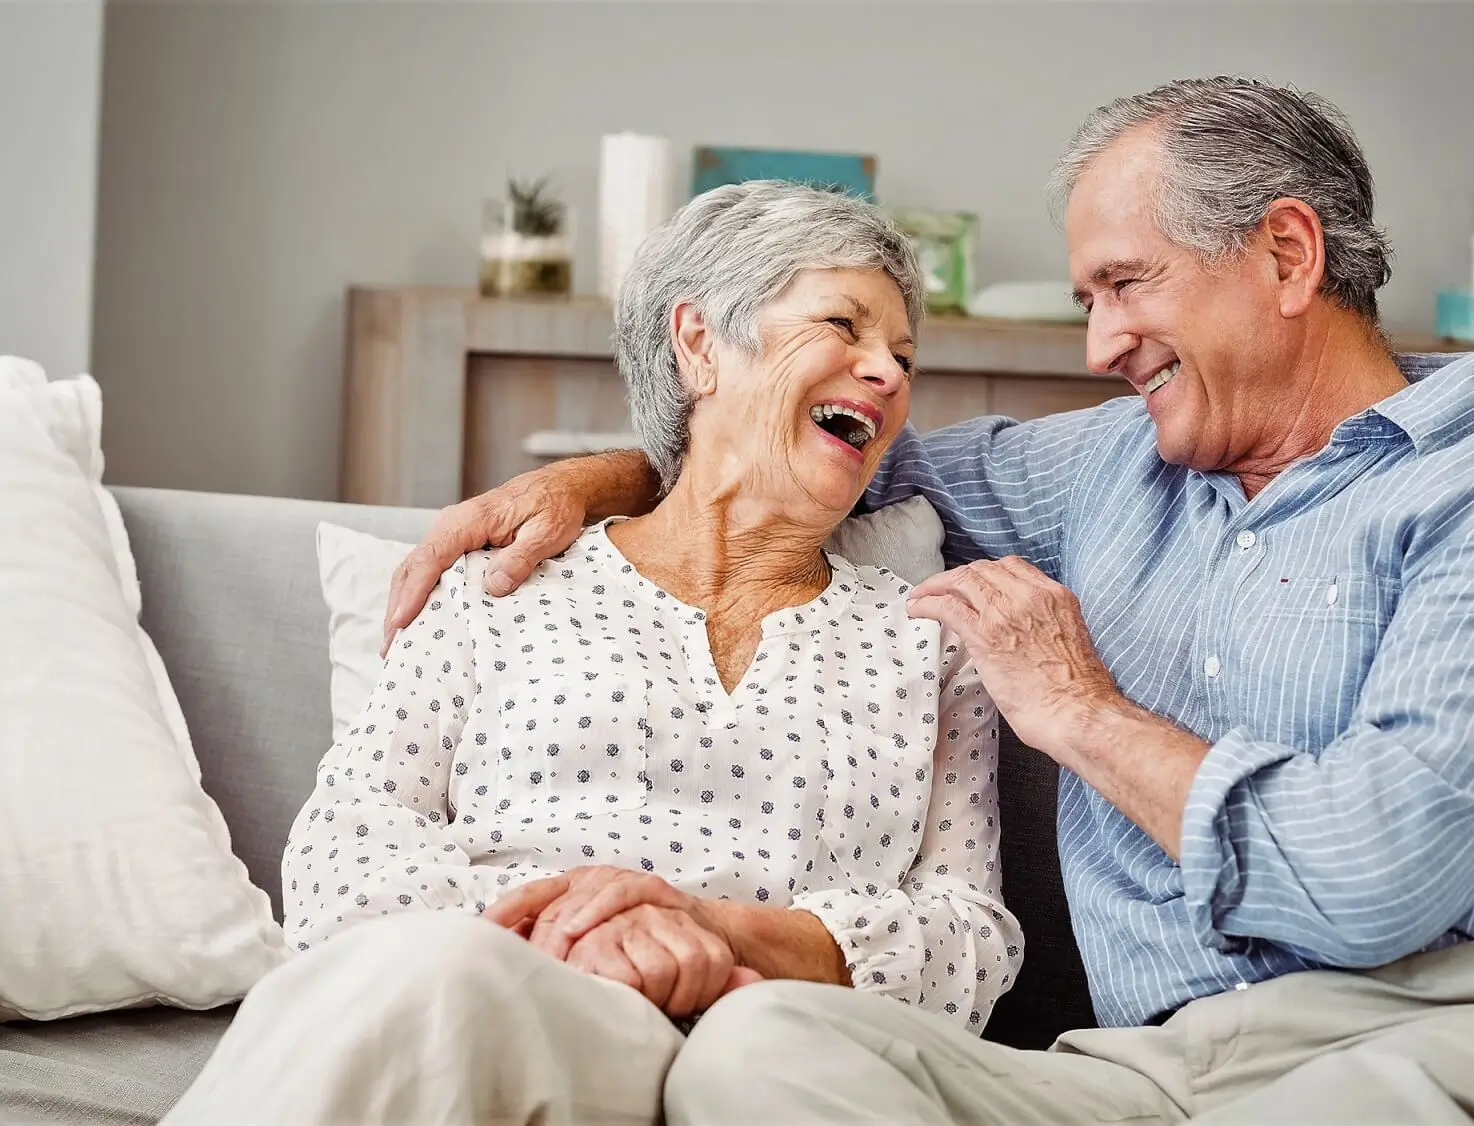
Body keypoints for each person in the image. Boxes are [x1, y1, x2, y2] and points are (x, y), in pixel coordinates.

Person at [386, 77, 1474, 1125]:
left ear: (1287, 254)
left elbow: (1372, 880)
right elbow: (811, 456)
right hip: (1151, 1074)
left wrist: (1082, 711)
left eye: (1126, 285)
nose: (1099, 345)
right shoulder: (1115, 463)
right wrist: (603, 473)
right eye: (1087, 300)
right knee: (764, 1045)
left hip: (1448, 1047)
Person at [164, 181, 1021, 1126]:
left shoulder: (930, 642)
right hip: (488, 1002)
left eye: (903, 355)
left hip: (760, 1054)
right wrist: (587, 935)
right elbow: (343, 856)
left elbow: (969, 942)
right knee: (440, 975)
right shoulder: (506, 585)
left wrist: (725, 939)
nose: (889, 373)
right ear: (698, 344)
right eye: (843, 326)